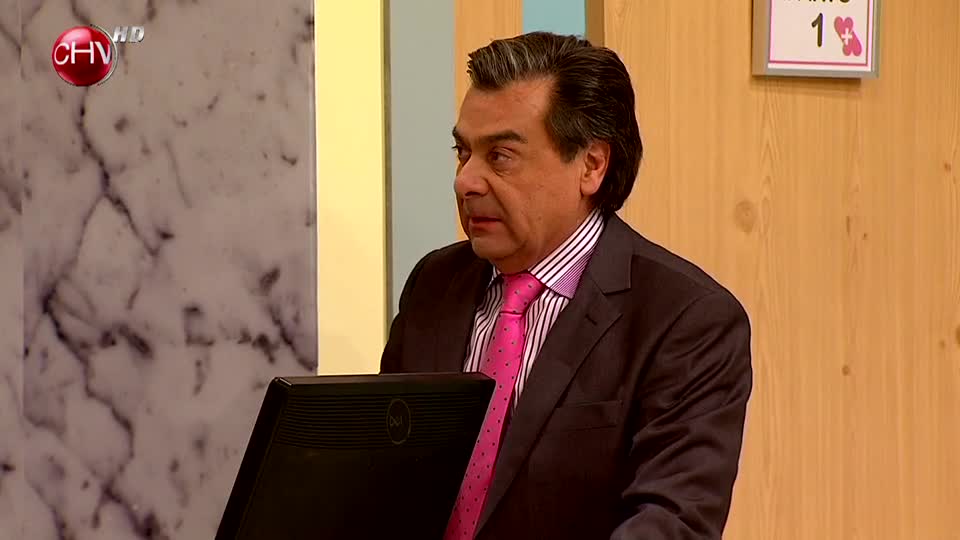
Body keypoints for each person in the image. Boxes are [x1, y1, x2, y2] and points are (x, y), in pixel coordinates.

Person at [380, 31, 752, 540]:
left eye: (500, 155)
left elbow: (672, 521)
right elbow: (385, 476)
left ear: (591, 165)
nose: (466, 180)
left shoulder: (685, 319)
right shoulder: (434, 283)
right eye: (463, 152)